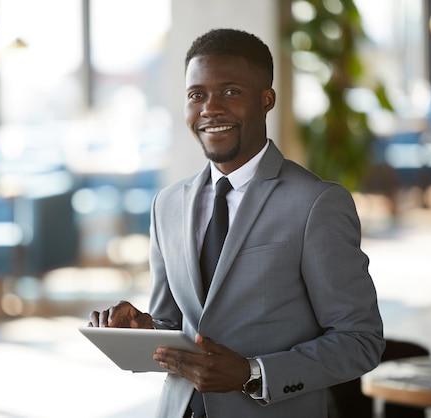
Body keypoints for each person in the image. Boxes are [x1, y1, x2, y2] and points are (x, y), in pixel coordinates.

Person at [88, 28, 384, 418]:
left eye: (231, 92)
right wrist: (143, 330)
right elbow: (176, 323)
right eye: (197, 95)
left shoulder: (316, 204)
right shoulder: (167, 204)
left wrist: (251, 372)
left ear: (266, 100)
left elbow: (360, 340)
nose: (210, 108)